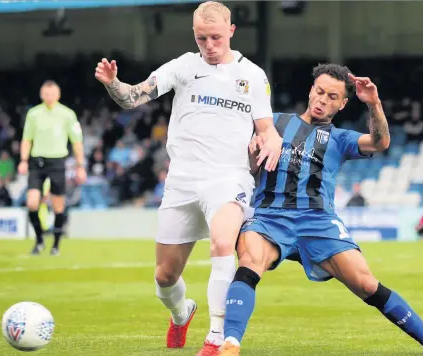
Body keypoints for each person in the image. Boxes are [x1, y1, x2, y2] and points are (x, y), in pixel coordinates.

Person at [219, 64, 423, 356]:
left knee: (367, 283)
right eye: (319, 92)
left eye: (331, 96)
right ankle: (230, 345)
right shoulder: (273, 123)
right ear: (310, 90)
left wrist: (374, 104)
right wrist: (252, 155)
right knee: (250, 261)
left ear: (342, 104)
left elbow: (380, 142)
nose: (322, 100)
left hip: (319, 222)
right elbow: (245, 164)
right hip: (270, 217)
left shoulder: (340, 139)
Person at [94, 2, 282, 355]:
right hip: (182, 180)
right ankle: (182, 313)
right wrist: (113, 83)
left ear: (231, 31)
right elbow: (134, 97)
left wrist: (269, 144)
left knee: (223, 245)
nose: (209, 45)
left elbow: (267, 129)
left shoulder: (252, 75)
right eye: (201, 38)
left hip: (229, 177)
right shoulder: (183, 66)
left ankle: (215, 338)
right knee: (164, 277)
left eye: (215, 37)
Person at [18, 80, 87, 256]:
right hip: (37, 161)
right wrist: (23, 160)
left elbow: (77, 141)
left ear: (58, 95)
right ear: (41, 95)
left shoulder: (67, 114)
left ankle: (56, 245)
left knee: (58, 206)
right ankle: (40, 239)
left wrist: (80, 166)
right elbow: (27, 139)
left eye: (52, 94)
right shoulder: (33, 114)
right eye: (45, 94)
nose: (48, 97)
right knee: (32, 202)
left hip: (57, 162)